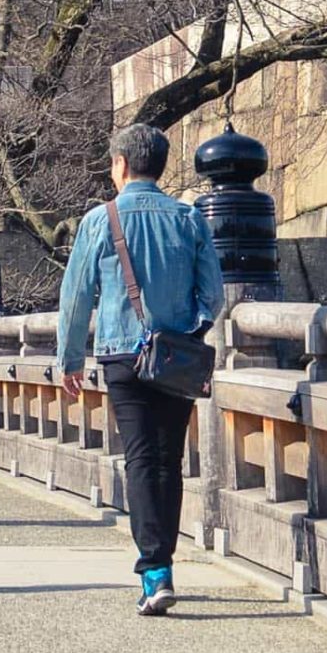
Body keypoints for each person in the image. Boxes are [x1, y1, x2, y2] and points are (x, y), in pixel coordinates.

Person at [57, 121, 225, 617]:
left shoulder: (100, 220)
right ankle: (163, 562)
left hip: (122, 356)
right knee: (168, 460)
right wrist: (187, 331)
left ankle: (155, 571)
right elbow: (213, 295)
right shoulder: (188, 218)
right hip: (174, 357)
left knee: (139, 459)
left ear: (121, 165)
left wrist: (69, 359)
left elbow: (75, 298)